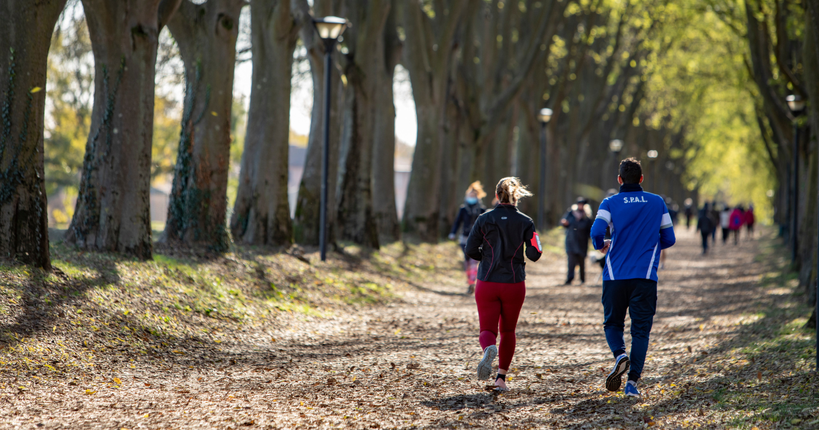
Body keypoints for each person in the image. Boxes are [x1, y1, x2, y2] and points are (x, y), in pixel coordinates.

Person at [591, 158, 676, 398]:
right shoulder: (657, 202)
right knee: (640, 331)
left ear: (619, 180)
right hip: (645, 275)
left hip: (614, 275)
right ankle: (632, 384)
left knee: (612, 323)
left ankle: (620, 355)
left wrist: (602, 245)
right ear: (641, 179)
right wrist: (650, 243)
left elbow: (597, 232)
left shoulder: (609, 202)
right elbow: (669, 239)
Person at [465, 177, 542, 392]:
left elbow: (470, 250)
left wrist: (488, 257)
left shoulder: (484, 219)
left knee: (487, 328)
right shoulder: (526, 221)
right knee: (508, 330)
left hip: (487, 281)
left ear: (497, 195)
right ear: (517, 196)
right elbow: (535, 254)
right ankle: (500, 379)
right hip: (514, 282)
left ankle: (489, 348)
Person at [449, 181, 487, 294]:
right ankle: (470, 282)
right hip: (464, 238)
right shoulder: (463, 209)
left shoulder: (482, 210)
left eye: (473, 196)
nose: (471, 197)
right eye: (469, 195)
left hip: (478, 239)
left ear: (477, 196)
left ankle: (472, 282)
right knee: (467, 261)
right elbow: (457, 222)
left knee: (474, 261)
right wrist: (452, 233)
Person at [561, 197, 593, 284]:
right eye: (579, 204)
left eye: (582, 204)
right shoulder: (570, 213)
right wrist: (564, 223)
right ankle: (569, 279)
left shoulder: (587, 217)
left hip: (582, 242)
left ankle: (582, 279)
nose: (580, 206)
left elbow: (590, 230)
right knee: (571, 262)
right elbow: (563, 222)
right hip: (571, 241)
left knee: (582, 262)